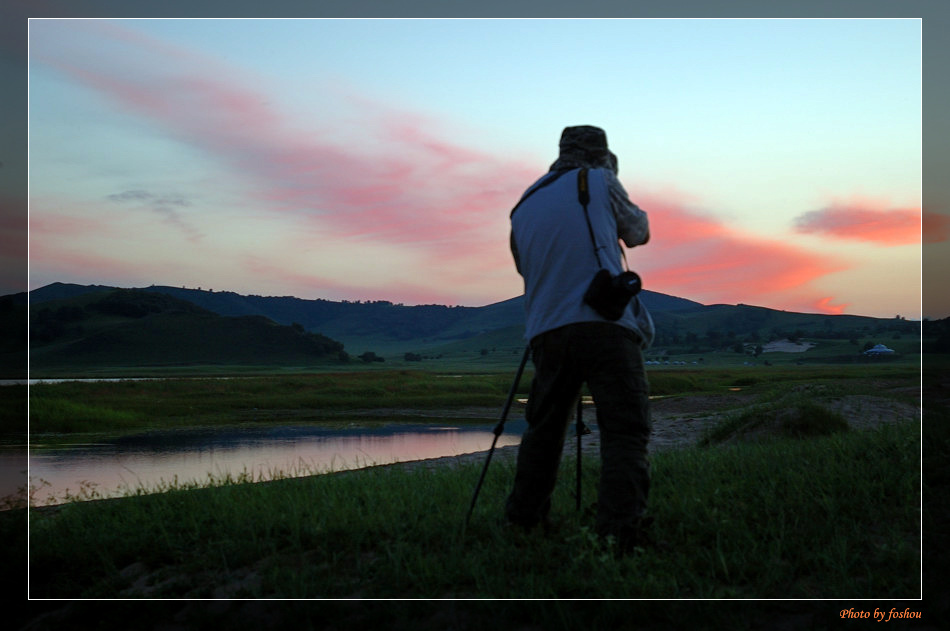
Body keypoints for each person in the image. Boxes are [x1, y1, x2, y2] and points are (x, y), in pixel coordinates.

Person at [504, 125, 655, 552]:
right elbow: (639, 231)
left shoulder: (524, 204)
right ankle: (619, 533)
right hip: (603, 323)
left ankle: (523, 521)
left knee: (543, 431)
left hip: (546, 329)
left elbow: (523, 267)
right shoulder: (600, 179)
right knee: (625, 430)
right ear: (602, 157)